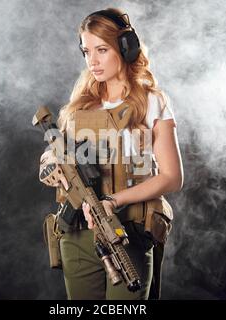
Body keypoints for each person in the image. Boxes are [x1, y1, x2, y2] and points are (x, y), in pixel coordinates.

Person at [39, 8, 183, 300]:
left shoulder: (152, 102)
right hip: (77, 235)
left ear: (126, 47)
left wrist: (114, 201)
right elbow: (52, 154)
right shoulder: (78, 107)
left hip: (128, 234)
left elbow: (172, 177)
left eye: (101, 50)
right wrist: (48, 165)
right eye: (86, 51)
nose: (92, 61)